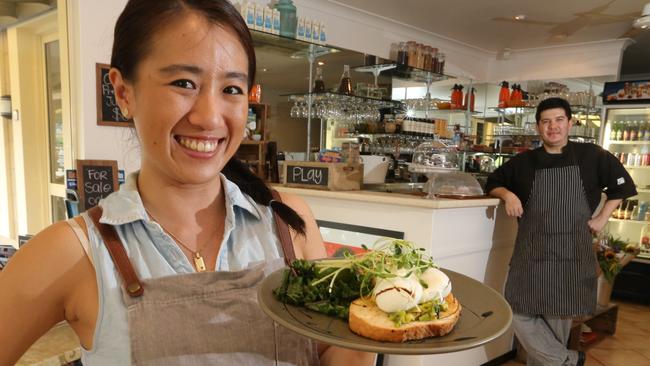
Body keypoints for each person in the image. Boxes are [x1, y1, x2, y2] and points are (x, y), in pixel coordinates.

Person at [0, 1, 375, 365]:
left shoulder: (288, 220)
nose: (210, 118)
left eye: (231, 89)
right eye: (184, 83)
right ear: (123, 92)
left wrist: (370, 327)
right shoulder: (73, 252)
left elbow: (327, 351)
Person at [486, 97, 636, 366]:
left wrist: (603, 217)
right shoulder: (524, 162)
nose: (552, 127)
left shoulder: (592, 155)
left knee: (558, 322)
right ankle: (565, 361)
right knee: (515, 310)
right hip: (531, 252)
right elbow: (493, 181)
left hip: (571, 253)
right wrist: (507, 194)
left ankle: (559, 360)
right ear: (538, 127)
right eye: (546, 121)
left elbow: (623, 187)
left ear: (570, 123)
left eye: (558, 120)